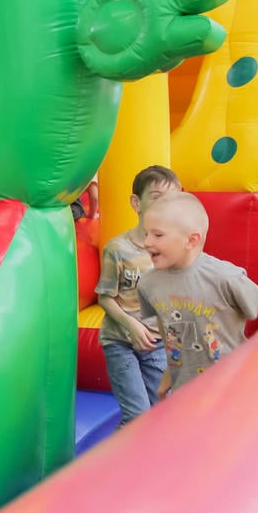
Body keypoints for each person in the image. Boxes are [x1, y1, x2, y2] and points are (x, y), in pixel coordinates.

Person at [138, 193, 258, 398]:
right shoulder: (148, 284)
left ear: (191, 240)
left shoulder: (224, 277)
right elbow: (166, 325)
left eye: (158, 235)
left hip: (232, 387)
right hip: (184, 391)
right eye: (146, 234)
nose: (147, 242)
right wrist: (169, 373)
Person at [95, 165, 181, 426]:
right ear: (136, 203)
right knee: (137, 415)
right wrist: (130, 324)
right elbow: (105, 297)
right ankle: (117, 454)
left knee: (160, 413)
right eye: (156, 198)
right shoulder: (119, 249)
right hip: (120, 342)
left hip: (155, 343)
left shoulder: (173, 250)